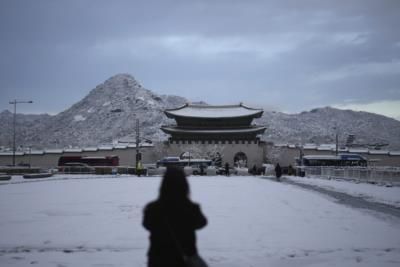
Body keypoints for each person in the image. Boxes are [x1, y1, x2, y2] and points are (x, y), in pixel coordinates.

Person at [143, 166, 208, 267]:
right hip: (183, 258)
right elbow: (202, 223)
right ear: (185, 186)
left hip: (158, 259)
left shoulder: (152, 208)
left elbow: (147, 224)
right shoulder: (191, 208)